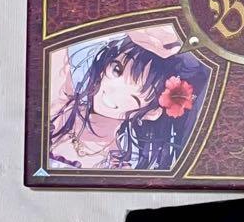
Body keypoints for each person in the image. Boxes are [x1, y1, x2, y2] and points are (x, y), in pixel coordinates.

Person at [48, 24, 208, 170]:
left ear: (151, 113)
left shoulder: (117, 166)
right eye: (116, 70)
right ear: (106, 64)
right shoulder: (60, 102)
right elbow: (53, 32)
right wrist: (133, 28)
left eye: (134, 97)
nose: (112, 91)